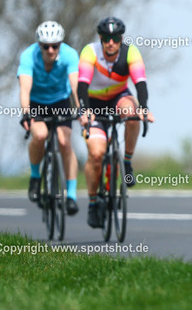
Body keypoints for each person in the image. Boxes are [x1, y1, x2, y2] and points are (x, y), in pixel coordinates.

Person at [78, 17, 154, 228]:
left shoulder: (131, 52)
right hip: (93, 104)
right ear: (100, 38)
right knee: (96, 154)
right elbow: (82, 83)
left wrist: (144, 108)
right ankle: (93, 202)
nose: (111, 43)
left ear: (121, 39)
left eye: (115, 39)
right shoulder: (90, 52)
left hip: (119, 98)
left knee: (133, 114)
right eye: (106, 38)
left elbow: (140, 82)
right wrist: (84, 110)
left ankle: (127, 163)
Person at [18, 21, 80, 215]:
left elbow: (75, 86)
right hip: (36, 103)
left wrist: (82, 109)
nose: (51, 50)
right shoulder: (28, 56)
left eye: (55, 46)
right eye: (46, 46)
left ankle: (71, 195)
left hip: (60, 101)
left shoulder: (70, 55)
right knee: (40, 135)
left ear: (61, 44)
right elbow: (25, 89)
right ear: (39, 45)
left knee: (64, 141)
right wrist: (26, 113)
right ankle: (35, 176)